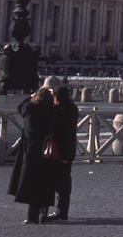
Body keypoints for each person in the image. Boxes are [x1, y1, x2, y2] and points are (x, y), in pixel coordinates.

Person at [8, 88, 56, 224]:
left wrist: (29, 96)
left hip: (31, 149)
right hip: (46, 149)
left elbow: (20, 107)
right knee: (44, 182)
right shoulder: (51, 109)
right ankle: (44, 213)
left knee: (31, 183)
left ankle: (32, 216)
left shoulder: (29, 107)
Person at [46, 86, 79, 222]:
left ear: (57, 97)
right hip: (69, 151)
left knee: (53, 183)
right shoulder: (73, 108)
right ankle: (62, 212)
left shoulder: (58, 111)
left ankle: (49, 212)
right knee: (65, 184)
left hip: (58, 152)